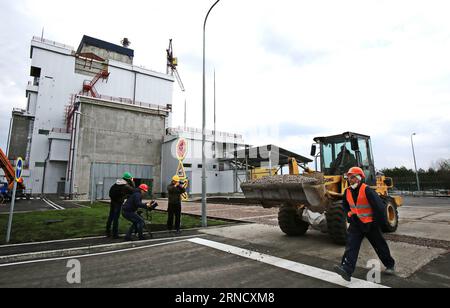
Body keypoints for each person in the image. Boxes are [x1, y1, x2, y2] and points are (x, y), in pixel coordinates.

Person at [334, 167, 396, 282]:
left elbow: (379, 208)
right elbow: (346, 205)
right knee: (351, 247)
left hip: (371, 225)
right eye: (349, 177)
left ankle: (390, 265)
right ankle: (347, 270)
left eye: (352, 177)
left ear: (359, 178)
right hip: (356, 225)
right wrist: (349, 216)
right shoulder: (347, 191)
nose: (350, 180)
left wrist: (377, 224)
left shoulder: (367, 190)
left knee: (380, 246)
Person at [106, 172, 135, 239]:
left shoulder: (117, 183)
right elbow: (133, 190)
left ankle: (108, 232)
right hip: (118, 203)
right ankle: (115, 234)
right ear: (129, 179)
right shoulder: (125, 186)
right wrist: (132, 181)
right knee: (116, 218)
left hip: (113, 201)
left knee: (111, 217)